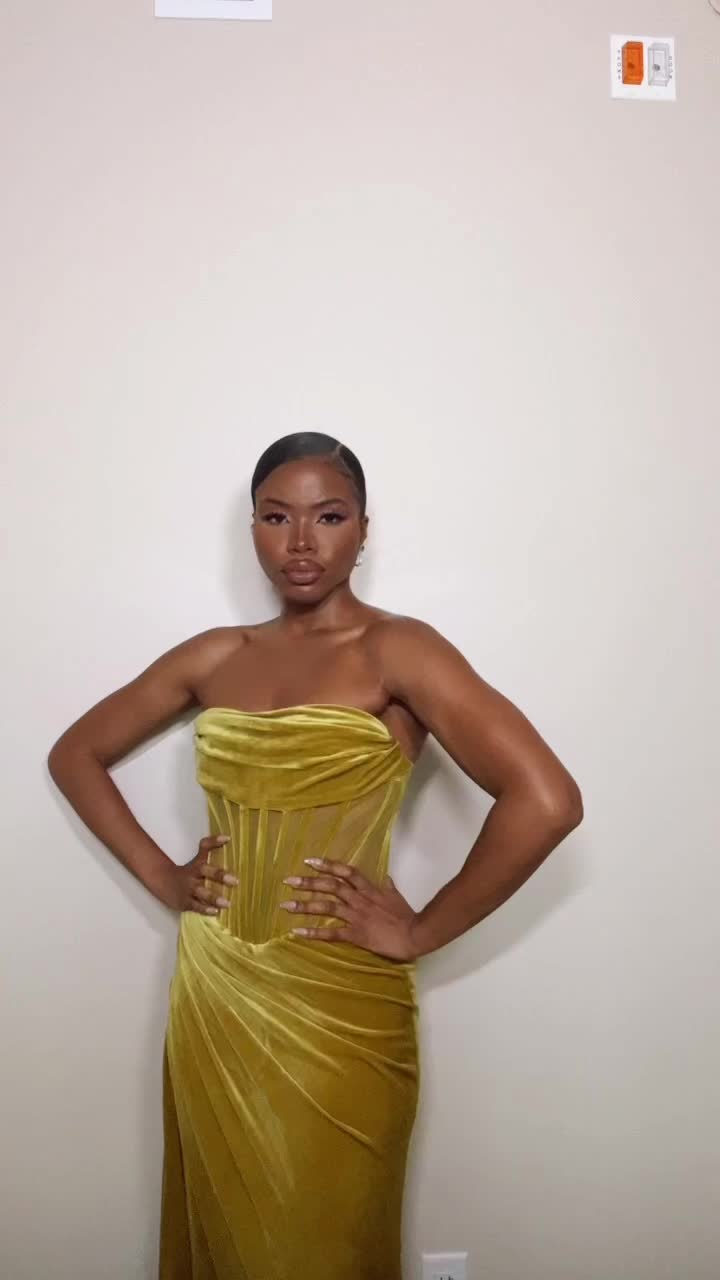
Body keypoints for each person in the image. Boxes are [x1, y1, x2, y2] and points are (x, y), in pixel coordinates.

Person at [47, 431, 583, 1280]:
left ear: (364, 530)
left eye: (328, 517)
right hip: (216, 993)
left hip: (340, 1002)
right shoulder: (216, 655)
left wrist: (419, 930)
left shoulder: (399, 650)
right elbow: (74, 754)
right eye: (276, 518)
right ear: (253, 530)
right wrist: (164, 876)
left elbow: (546, 801)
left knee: (321, 1245)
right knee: (228, 1241)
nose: (300, 542)